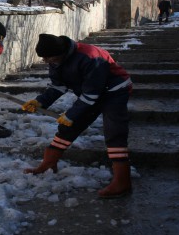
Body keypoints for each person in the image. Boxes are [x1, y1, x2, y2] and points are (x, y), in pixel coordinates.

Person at [21, 33, 133, 198]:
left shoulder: (90, 57)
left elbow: (92, 92)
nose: (47, 62)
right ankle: (48, 163)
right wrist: (40, 102)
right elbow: (58, 86)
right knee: (68, 127)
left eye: (49, 59)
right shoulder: (56, 60)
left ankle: (122, 181)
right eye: (45, 59)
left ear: (61, 53)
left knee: (114, 131)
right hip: (90, 93)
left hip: (114, 91)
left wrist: (71, 114)